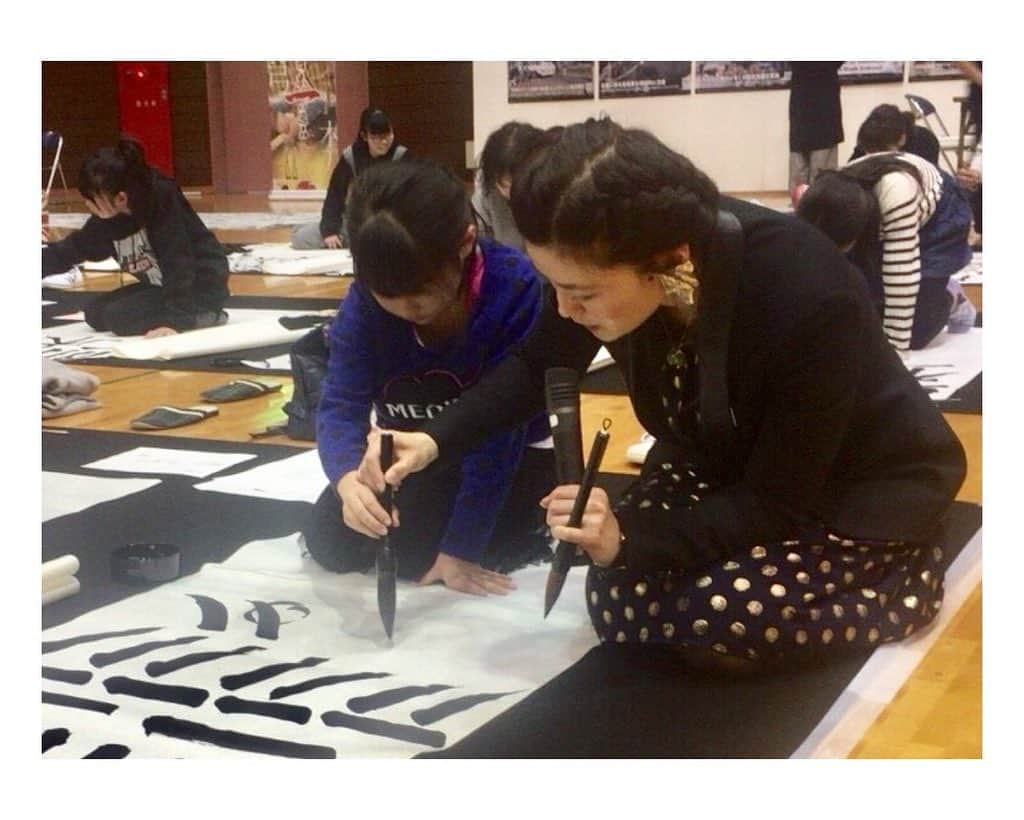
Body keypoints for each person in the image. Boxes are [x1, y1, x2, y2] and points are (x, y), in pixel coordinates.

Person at [353, 118, 966, 670]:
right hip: (721, 458)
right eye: (553, 286)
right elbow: (537, 366)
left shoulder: (803, 291)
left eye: (582, 293)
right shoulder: (618, 259)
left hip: (850, 480)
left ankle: (899, 571)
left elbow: (776, 501)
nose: (565, 309)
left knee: (724, 612)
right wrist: (434, 440)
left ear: (670, 262)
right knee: (616, 591)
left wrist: (630, 540)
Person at [303, 157, 554, 596]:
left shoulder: (513, 286)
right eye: (388, 297)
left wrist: (463, 547)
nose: (405, 309)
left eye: (419, 294)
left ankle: (516, 528)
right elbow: (341, 403)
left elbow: (502, 430)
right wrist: (346, 480)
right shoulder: (363, 301)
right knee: (332, 541)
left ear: (465, 243)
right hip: (412, 447)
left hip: (509, 451)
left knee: (419, 553)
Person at [41, 137, 229, 337]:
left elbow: (178, 261)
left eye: (91, 199)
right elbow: (72, 250)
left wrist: (175, 321)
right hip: (161, 284)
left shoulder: (161, 200)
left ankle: (206, 314)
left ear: (121, 198)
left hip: (199, 284)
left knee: (119, 318)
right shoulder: (108, 218)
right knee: (95, 314)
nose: (89, 205)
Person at [797, 151, 974, 352]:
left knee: (915, 332)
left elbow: (901, 275)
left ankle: (951, 296)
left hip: (935, 217)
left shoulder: (895, 195)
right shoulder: (819, 202)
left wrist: (895, 353)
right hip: (875, 213)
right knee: (862, 313)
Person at [290, 107, 408, 250]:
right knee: (301, 239)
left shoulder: (401, 157)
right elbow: (335, 195)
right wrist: (330, 230)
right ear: (364, 136)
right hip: (358, 224)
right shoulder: (351, 157)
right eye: (376, 137)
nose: (384, 142)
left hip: (391, 226)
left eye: (387, 135)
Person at [471, 121, 551, 251]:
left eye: (515, 182)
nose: (508, 192)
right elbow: (479, 242)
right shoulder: (487, 188)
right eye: (502, 184)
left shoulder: (553, 189)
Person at [788, 61, 844, 205]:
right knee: (817, 180)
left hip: (818, 112)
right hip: (814, 113)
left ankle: (804, 216)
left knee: (817, 180)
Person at [848, 103, 940, 166]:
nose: (875, 157)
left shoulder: (924, 142)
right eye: (871, 152)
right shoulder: (869, 138)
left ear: (902, 140)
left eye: (881, 151)